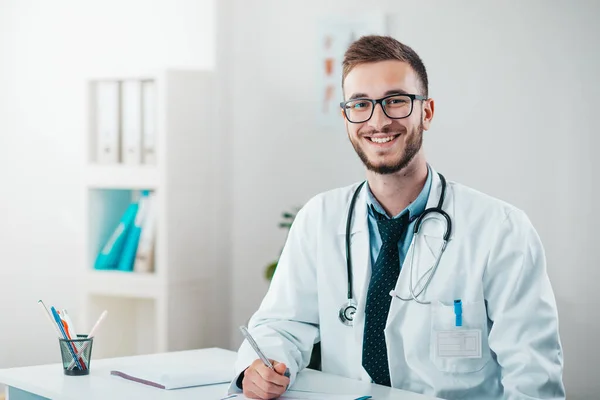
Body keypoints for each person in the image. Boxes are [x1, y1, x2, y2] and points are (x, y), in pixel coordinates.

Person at [228, 35, 565, 400]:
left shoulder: (501, 230)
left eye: (396, 101)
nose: (378, 120)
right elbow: (282, 323)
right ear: (346, 117)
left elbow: (532, 379)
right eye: (360, 104)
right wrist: (262, 366)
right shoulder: (318, 219)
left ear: (427, 112)